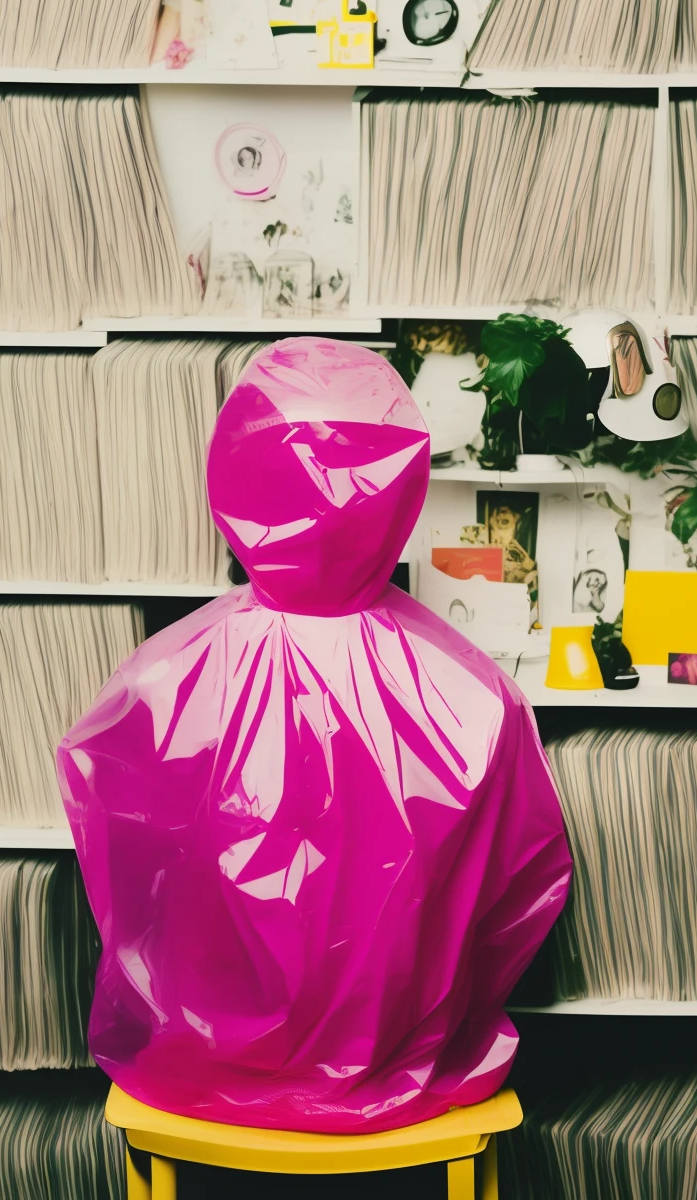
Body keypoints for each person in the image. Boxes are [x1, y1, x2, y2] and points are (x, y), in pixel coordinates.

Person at [60, 338, 573, 1133]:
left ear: (233, 477)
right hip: (407, 1072)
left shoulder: (156, 686)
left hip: (194, 1069)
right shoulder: (474, 696)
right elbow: (520, 894)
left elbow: (121, 872)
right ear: (404, 487)